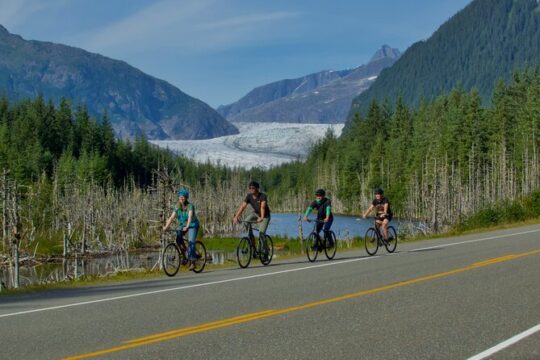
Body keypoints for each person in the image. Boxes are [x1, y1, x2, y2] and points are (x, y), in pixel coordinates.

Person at [163, 188, 200, 270]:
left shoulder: (190, 206)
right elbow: (172, 217)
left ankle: (193, 262)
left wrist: (187, 226)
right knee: (178, 238)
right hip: (183, 224)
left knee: (190, 241)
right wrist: (166, 227)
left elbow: (190, 216)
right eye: (180, 197)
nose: (181, 198)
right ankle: (184, 256)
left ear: (186, 198)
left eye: (183, 197)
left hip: (193, 225)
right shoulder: (177, 206)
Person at [232, 181, 271, 257]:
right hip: (255, 214)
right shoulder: (249, 196)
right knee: (245, 223)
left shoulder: (262, 196)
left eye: (253, 188)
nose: (251, 189)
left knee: (261, 233)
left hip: (265, 216)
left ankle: (266, 251)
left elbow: (262, 207)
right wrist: (236, 216)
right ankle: (253, 247)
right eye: (250, 188)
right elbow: (243, 206)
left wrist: (262, 217)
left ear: (257, 188)